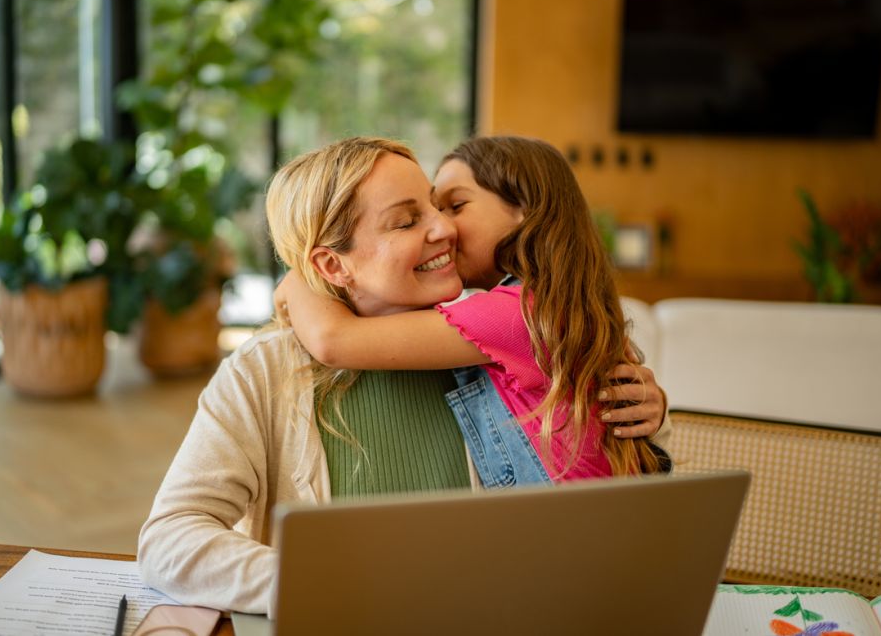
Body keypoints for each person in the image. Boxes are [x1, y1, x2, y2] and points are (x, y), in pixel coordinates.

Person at [138, 137, 669, 616]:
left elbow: (612, 460)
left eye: (443, 207)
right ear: (332, 265)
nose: (445, 228)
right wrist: (330, 585)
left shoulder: (488, 339)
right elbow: (171, 539)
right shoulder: (266, 371)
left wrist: (654, 412)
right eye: (408, 219)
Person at [277, 135, 665, 482]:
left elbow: (334, 340)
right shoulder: (551, 306)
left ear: (526, 212)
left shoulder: (521, 314)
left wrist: (298, 279)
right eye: (421, 214)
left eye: (454, 206)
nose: (444, 227)